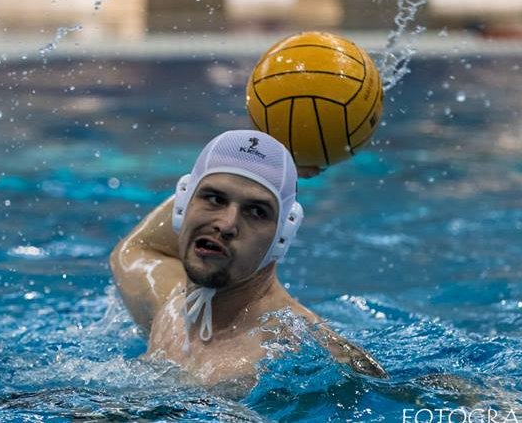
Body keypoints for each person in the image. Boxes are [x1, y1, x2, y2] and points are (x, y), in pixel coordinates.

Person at [109, 129, 387, 388]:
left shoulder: (307, 356)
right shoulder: (167, 306)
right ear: (183, 204)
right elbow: (139, 247)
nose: (227, 224)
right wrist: (276, 166)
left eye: (256, 212)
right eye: (214, 198)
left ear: (283, 235)